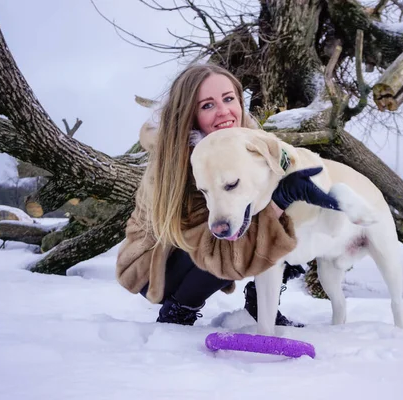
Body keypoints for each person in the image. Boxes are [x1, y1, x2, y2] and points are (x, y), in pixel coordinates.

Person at [115, 63, 339, 326]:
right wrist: (279, 202)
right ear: (190, 114)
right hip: (159, 264)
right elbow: (218, 233)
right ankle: (180, 308)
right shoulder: (182, 161)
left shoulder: (248, 141)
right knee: (239, 223)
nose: (224, 112)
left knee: (295, 213)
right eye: (207, 105)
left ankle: (260, 300)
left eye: (229, 99)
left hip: (209, 248)